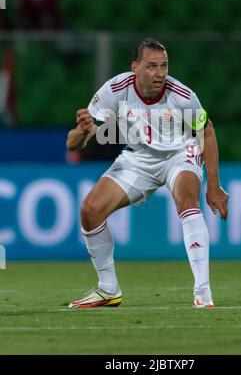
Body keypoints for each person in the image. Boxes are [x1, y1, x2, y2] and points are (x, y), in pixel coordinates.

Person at [66, 38, 228, 309]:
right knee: (90, 210)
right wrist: (83, 132)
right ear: (135, 67)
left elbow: (206, 132)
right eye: (152, 66)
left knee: (187, 202)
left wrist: (214, 186)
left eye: (164, 66)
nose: (160, 73)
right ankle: (108, 289)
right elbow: (73, 143)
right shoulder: (115, 90)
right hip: (139, 157)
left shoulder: (182, 95)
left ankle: (203, 291)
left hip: (180, 153)